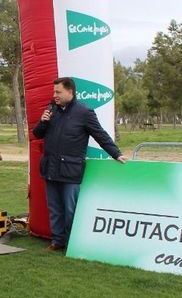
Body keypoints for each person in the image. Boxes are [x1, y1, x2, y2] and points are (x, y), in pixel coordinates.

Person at [33, 77, 127, 251]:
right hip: (50, 168)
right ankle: (57, 241)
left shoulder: (84, 112)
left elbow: (100, 135)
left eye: (58, 92)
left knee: (71, 209)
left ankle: (73, 243)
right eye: (54, 92)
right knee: (54, 208)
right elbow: (37, 134)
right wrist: (43, 121)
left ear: (70, 92)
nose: (54, 95)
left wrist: (116, 153)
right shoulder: (51, 109)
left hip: (70, 170)